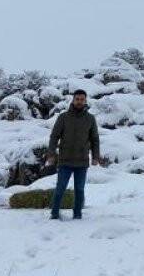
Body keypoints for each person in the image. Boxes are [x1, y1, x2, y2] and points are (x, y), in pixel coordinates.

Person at [45, 89, 105, 220]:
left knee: (79, 190)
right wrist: (51, 154)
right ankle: (54, 214)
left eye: (82, 99)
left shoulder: (90, 119)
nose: (79, 101)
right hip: (65, 160)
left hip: (82, 161)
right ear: (73, 100)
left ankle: (77, 215)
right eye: (77, 99)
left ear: (85, 101)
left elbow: (95, 139)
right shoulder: (63, 117)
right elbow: (54, 137)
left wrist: (95, 156)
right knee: (60, 189)